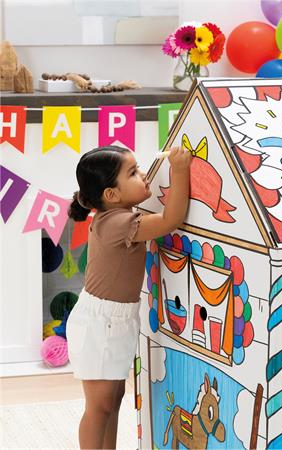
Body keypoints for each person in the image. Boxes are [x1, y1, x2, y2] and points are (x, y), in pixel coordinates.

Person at [66, 144, 192, 449]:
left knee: (113, 399)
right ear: (112, 195)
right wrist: (179, 170)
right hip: (101, 324)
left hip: (115, 321)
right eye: (133, 172)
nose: (144, 175)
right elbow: (170, 220)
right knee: (99, 407)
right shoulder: (118, 223)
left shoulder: (120, 215)